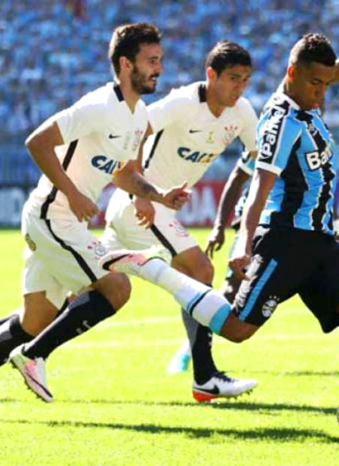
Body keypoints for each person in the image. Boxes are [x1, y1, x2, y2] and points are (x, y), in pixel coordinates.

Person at [93, 27, 339, 437]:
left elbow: (336, 71)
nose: (322, 91)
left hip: (321, 242)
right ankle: (150, 268)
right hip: (285, 240)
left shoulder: (309, 95)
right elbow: (259, 185)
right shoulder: (279, 120)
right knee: (235, 329)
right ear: (292, 73)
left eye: (325, 82)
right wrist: (244, 242)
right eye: (315, 83)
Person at [0, 23, 190, 420]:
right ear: (125, 64)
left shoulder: (138, 115)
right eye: (151, 61)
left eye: (160, 60)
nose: (159, 68)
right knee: (116, 287)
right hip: (52, 216)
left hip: (61, 220)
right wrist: (72, 192)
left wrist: (157, 195)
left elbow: (124, 173)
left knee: (34, 320)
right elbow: (37, 141)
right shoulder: (96, 107)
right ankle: (35, 356)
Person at [101, 41, 259, 402]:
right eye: (233, 78)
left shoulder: (243, 113)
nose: (240, 87)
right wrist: (141, 192)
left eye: (246, 80)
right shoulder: (182, 102)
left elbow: (258, 156)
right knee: (200, 271)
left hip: (159, 210)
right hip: (141, 207)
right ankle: (205, 377)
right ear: (211, 75)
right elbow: (137, 129)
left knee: (92, 293)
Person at [196, 150, 339, 370]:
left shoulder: (317, 135)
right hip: (261, 222)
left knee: (338, 283)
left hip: (303, 228)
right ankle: (192, 350)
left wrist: (335, 222)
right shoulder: (268, 137)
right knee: (231, 293)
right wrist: (219, 227)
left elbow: (320, 188)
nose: (319, 113)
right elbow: (238, 177)